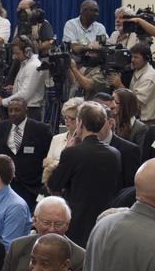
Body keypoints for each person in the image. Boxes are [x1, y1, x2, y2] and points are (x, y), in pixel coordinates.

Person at [47, 103, 122, 246]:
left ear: (80, 123)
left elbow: (53, 184)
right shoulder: (115, 153)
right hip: (105, 220)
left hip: (77, 221)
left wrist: (66, 150)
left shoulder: (72, 153)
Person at [0, 196, 85, 271]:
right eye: (46, 223)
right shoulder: (17, 246)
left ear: (68, 224)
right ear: (35, 221)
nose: (52, 229)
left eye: (58, 224)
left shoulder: (80, 258)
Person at [0, 99, 52, 208]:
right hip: (7, 184)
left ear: (26, 111)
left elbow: (48, 155)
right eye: (10, 110)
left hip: (32, 186)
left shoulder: (41, 129)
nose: (13, 113)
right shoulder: (0, 128)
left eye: (17, 110)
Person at [0, 36, 44, 118]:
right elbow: (29, 87)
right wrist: (15, 88)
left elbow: (24, 94)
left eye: (17, 53)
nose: (15, 57)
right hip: (25, 108)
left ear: (27, 51)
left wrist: (3, 102)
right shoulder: (26, 64)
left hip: (30, 111)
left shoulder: (33, 66)